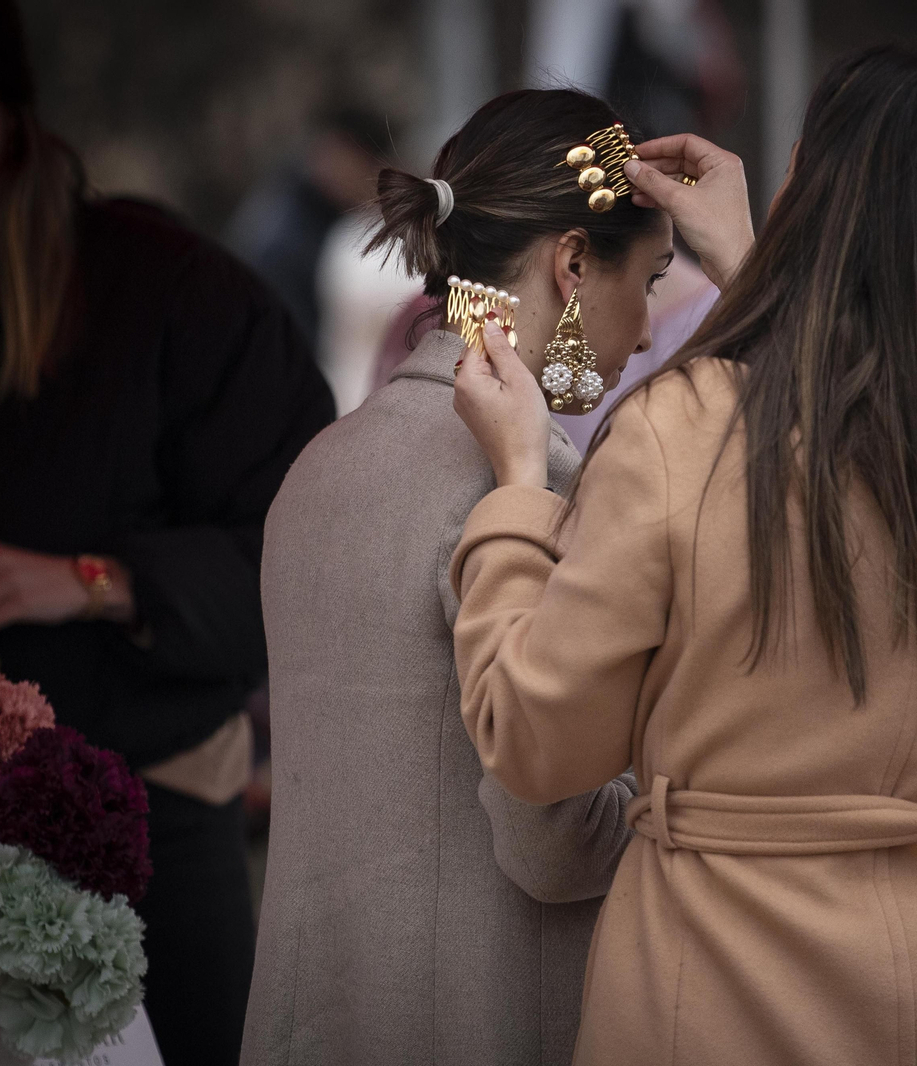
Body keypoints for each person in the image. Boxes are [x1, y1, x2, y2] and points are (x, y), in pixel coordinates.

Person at [447, 45, 917, 1066]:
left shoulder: (681, 432)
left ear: (815, 202)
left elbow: (536, 740)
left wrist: (517, 492)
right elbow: (854, 405)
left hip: (720, 994)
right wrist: (754, 264)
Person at [0, 2, 335, 1063]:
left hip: (144, 834)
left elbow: (305, 547)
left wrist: (101, 579)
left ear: (18, 124)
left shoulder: (168, 295)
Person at [244, 88, 686, 1066]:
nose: (651, 328)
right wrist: (680, 813)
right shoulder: (531, 491)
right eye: (650, 279)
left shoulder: (318, 468)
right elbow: (554, 839)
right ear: (573, 263)